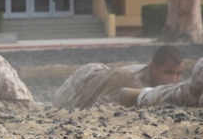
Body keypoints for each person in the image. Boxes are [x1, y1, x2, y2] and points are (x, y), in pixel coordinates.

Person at [50, 45, 184, 108]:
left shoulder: (171, 86)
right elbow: (98, 105)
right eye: (169, 73)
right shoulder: (130, 79)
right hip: (83, 80)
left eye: (179, 74)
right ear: (153, 68)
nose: (175, 80)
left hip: (106, 75)